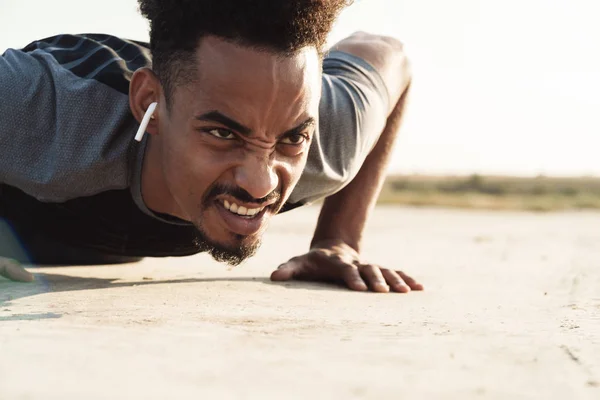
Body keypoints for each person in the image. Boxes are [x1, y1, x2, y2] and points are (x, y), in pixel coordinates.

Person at [0, 0, 422, 293]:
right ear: (150, 103)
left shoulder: (329, 142)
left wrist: (339, 239)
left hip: (103, 252)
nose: (259, 185)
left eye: (290, 138)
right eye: (223, 135)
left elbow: (392, 56)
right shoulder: (42, 107)